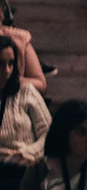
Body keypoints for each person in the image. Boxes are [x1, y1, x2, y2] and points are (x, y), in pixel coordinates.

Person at [0, 36, 51, 170]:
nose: (6, 71)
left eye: (10, 63)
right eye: (1, 64)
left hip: (27, 168)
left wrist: (29, 152)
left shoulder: (25, 91)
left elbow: (49, 134)